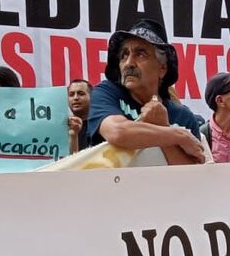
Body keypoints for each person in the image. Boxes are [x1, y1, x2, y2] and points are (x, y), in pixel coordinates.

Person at [84, 18, 206, 166]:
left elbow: (190, 175)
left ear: (162, 69)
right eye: (124, 55)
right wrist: (178, 135)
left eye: (140, 54)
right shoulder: (106, 93)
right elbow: (118, 132)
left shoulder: (183, 116)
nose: (129, 63)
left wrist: (163, 126)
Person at [68, 78, 91, 153]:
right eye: (71, 95)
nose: (75, 98)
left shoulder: (100, 126)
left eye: (81, 93)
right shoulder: (62, 128)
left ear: (92, 97)